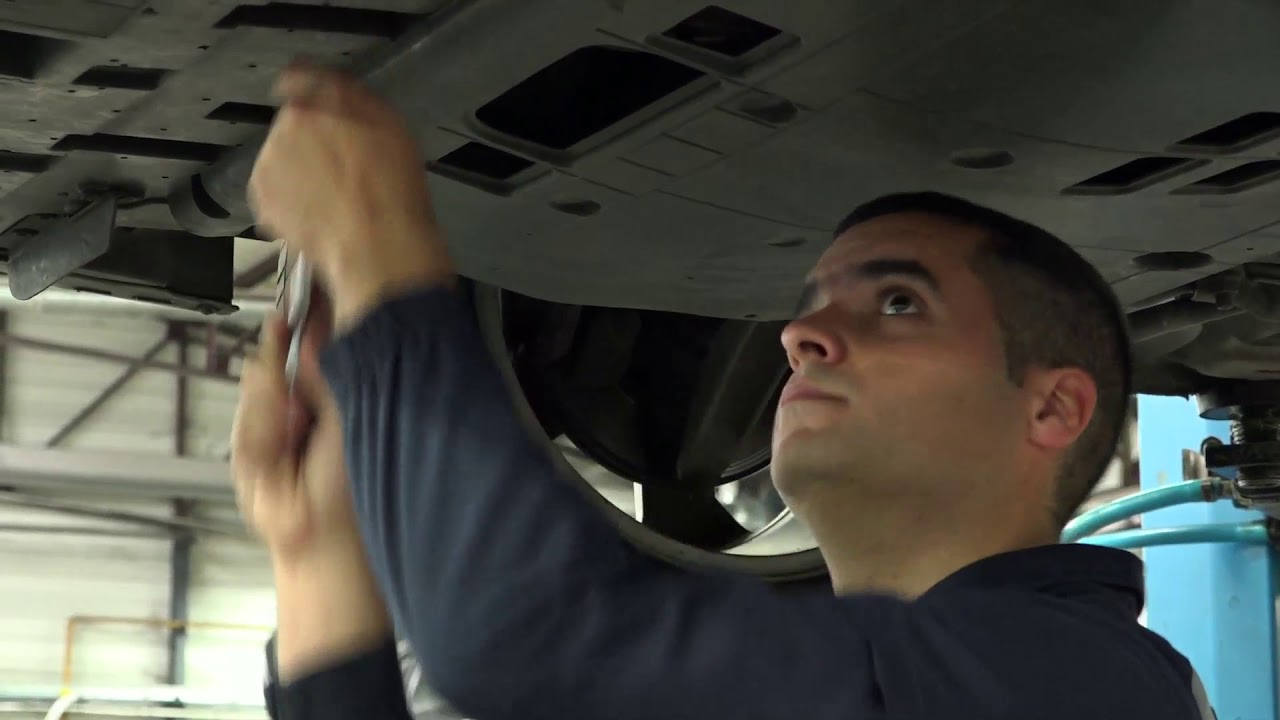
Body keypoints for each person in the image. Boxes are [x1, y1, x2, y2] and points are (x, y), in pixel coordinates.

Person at [232, 63, 1213, 720]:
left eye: (899, 302)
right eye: (811, 301)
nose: (799, 334)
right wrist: (320, 569)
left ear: (1051, 409)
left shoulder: (1077, 682)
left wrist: (381, 249)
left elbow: (517, 633)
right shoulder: (871, 677)